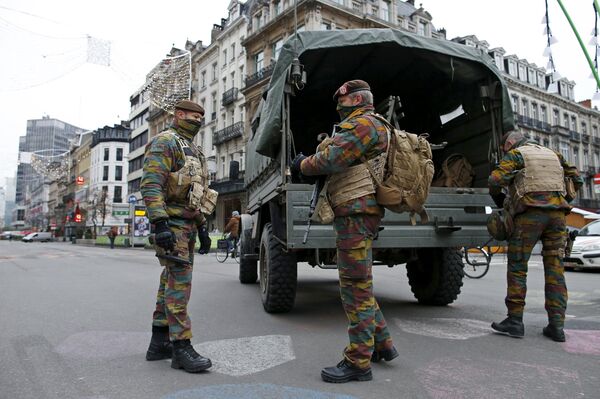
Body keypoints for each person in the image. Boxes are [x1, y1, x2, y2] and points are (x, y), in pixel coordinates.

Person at [291, 80, 397, 383]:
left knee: (355, 287)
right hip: (360, 212)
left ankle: (358, 361)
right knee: (360, 282)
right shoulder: (377, 125)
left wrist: (303, 165)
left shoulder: (362, 124)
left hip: (355, 213)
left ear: (357, 100)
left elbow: (331, 159)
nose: (339, 106)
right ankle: (383, 344)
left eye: (343, 101)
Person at [489, 131, 583, 342]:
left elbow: (495, 179)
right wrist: (560, 198)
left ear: (511, 143)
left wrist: (500, 199)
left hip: (530, 216)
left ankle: (515, 321)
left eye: (505, 148)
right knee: (555, 269)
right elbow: (577, 178)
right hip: (558, 217)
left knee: (518, 267)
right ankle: (556, 326)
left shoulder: (517, 154)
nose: (506, 151)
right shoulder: (554, 154)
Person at [141, 99, 213, 373]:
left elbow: (196, 193)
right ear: (179, 115)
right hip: (171, 225)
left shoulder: (194, 149)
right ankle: (181, 347)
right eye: (192, 117)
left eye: (200, 118)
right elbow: (151, 184)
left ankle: (158, 343)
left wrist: (203, 227)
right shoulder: (165, 142)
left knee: (169, 282)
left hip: (187, 225)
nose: (197, 121)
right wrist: (160, 223)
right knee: (179, 285)